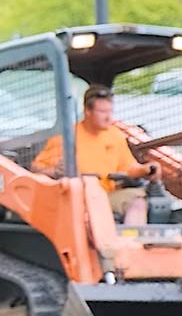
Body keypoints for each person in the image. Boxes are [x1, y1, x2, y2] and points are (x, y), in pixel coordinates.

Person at [32, 85, 158, 225]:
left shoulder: (115, 136)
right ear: (87, 111)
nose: (108, 117)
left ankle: (132, 242)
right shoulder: (66, 138)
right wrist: (54, 171)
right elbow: (36, 169)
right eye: (103, 111)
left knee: (138, 201)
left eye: (110, 111)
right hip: (76, 200)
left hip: (106, 196)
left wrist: (146, 169)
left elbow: (128, 166)